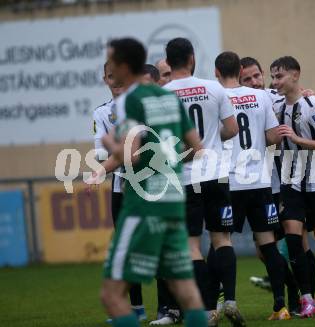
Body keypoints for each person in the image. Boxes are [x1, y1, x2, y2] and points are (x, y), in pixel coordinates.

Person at [98, 37, 207, 327]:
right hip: (173, 197)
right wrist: (166, 160)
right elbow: (196, 148)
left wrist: (112, 144)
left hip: (143, 202)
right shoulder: (169, 97)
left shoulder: (129, 101)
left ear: (122, 66)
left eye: (112, 63)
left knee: (111, 294)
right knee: (184, 288)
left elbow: (131, 157)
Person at [240, 56, 315, 293]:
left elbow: (306, 111)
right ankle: (302, 287)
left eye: (258, 76)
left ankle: (306, 295)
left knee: (309, 235)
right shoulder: (238, 103)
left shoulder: (276, 97)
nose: (255, 82)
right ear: (238, 81)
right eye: (247, 78)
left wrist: (306, 96)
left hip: (290, 180)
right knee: (268, 250)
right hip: (262, 183)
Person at [163, 38, 244, 327]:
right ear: (192, 58)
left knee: (192, 246)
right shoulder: (214, 88)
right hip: (217, 174)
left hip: (187, 179)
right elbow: (232, 129)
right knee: (222, 239)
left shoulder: (163, 95)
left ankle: (209, 309)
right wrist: (209, 142)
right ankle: (231, 301)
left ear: (168, 62)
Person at [215, 51, 292, 320]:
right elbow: (273, 137)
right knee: (268, 245)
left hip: (230, 183)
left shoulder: (217, 97)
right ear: (239, 71)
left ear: (217, 73)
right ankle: (280, 306)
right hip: (260, 182)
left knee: (221, 243)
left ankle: (219, 304)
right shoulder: (260, 97)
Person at [271, 55, 315, 317]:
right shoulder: (275, 103)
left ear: (296, 75)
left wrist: (297, 138)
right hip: (290, 180)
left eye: (279, 76)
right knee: (293, 237)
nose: (275, 81)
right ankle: (307, 298)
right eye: (273, 76)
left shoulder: (313, 104)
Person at [91, 61, 147, 324]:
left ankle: (170, 307)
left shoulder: (140, 105)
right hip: (121, 186)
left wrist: (117, 150)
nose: (115, 81)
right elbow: (100, 152)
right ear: (105, 79)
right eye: (110, 77)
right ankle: (136, 307)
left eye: (119, 76)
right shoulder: (102, 113)